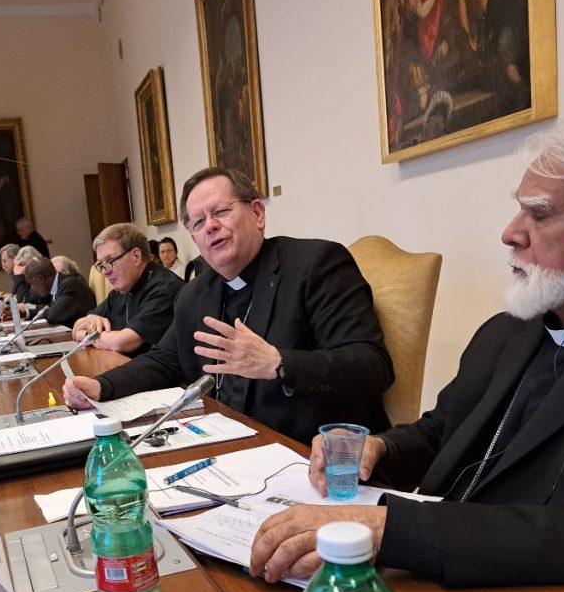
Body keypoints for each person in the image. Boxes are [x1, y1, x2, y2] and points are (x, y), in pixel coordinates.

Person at [250, 112, 564, 592]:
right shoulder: (505, 332)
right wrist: (380, 449)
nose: (510, 232)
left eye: (540, 213)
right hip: (431, 582)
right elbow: (442, 431)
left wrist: (392, 531)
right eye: (519, 210)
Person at [64, 168, 392, 443]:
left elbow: (372, 366)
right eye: (197, 222)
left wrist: (279, 363)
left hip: (306, 451)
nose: (210, 225)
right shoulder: (195, 293)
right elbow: (164, 360)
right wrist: (102, 386)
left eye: (221, 211)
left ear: (257, 213)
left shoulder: (315, 265)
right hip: (223, 441)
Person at [70, 223, 183, 357]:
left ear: (136, 256)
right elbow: (77, 329)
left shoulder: (165, 288)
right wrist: (90, 326)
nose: (105, 272)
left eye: (110, 260)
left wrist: (90, 336)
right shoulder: (120, 290)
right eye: (101, 264)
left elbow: (122, 342)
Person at [24, 257, 96, 328]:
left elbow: (53, 316)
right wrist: (26, 312)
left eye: (31, 284)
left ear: (40, 278)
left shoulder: (69, 284)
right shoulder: (59, 284)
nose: (32, 288)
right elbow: (52, 308)